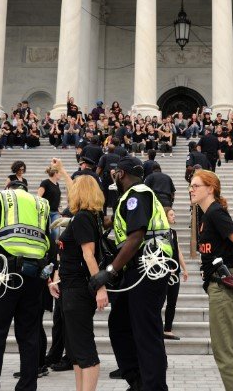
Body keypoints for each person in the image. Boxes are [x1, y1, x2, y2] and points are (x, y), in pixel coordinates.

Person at [87, 156, 173, 391]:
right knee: (120, 323)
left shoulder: (138, 194)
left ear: (121, 174)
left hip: (147, 267)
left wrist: (110, 270)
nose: (113, 176)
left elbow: (136, 236)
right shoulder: (132, 197)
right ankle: (138, 380)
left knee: (146, 330)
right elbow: (116, 224)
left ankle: (152, 386)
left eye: (115, 172)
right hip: (138, 269)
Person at [0, 179, 53, 391]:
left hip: (5, 276)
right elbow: (47, 241)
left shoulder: (3, 197)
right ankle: (27, 386)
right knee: (29, 337)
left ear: (10, 189)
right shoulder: (41, 204)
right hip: (34, 276)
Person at [192, 169, 233, 391]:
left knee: (225, 351)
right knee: (226, 350)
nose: (191, 190)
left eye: (196, 186)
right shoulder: (207, 214)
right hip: (219, 285)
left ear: (210, 188)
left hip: (224, 286)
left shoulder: (215, 213)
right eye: (190, 186)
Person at [48, 167, 108, 391]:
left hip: (79, 289)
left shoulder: (83, 218)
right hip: (69, 287)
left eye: (74, 188)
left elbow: (88, 254)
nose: (69, 192)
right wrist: (56, 278)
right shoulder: (82, 217)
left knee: (83, 346)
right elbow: (67, 254)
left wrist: (100, 287)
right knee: (75, 347)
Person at [163, 208, 189, 341]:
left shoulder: (173, 232)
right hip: (163, 272)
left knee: (172, 302)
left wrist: (184, 268)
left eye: (174, 214)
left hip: (175, 272)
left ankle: (168, 329)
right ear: (165, 216)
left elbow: (177, 251)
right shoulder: (161, 232)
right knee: (159, 301)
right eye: (171, 214)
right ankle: (155, 329)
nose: (174, 216)